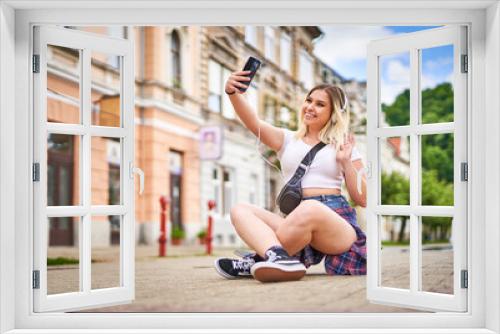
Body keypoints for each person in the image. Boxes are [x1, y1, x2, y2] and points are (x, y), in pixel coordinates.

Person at [214, 70, 367, 283]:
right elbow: (253, 123)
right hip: (296, 222)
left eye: (320, 104)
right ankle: (277, 256)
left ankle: (255, 261)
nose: (310, 107)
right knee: (239, 210)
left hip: (337, 225)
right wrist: (233, 93)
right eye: (309, 100)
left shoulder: (345, 146)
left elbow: (362, 199)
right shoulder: (287, 139)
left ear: (333, 113)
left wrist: (345, 162)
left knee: (311, 207)